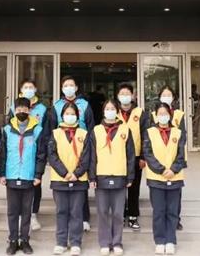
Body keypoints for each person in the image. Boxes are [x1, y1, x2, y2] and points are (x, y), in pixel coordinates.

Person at [0, 97, 46, 255]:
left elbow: (41, 155)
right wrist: (2, 173)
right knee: (12, 211)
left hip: (29, 176)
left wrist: (38, 174)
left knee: (27, 211)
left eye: (24, 110)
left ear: (29, 111)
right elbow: (3, 154)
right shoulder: (7, 130)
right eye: (18, 110)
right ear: (14, 111)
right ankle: (13, 240)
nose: (21, 112)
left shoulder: (37, 130)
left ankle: (25, 240)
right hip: (11, 175)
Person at [90, 99, 135, 255]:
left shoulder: (125, 129)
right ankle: (104, 242)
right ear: (103, 111)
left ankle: (117, 242)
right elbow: (92, 156)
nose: (109, 111)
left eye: (112, 109)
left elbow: (130, 155)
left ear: (117, 111)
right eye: (107, 108)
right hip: (101, 175)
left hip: (120, 176)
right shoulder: (96, 130)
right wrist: (92, 177)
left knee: (117, 213)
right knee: (102, 212)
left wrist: (130, 177)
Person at [51, 76, 94, 231]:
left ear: (76, 88)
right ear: (62, 88)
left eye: (71, 85)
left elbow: (90, 125)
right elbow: (52, 126)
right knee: (64, 189)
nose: (68, 88)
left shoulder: (84, 104)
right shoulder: (57, 106)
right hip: (63, 147)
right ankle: (67, 221)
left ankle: (84, 218)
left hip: (81, 145)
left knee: (81, 185)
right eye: (65, 85)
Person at [48, 101, 92, 256]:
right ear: (62, 116)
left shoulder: (84, 134)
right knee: (61, 211)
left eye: (73, 114)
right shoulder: (55, 133)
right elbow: (52, 156)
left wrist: (76, 174)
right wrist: (65, 173)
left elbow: (86, 157)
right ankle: (61, 242)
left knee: (76, 212)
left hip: (79, 180)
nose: (70, 116)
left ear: (78, 116)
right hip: (60, 180)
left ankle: (75, 242)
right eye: (67, 113)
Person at [142, 103, 186, 255]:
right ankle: (160, 241)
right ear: (155, 115)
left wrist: (173, 169)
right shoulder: (149, 132)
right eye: (160, 113)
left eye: (165, 113)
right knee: (159, 211)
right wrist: (161, 170)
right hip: (156, 178)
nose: (163, 116)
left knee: (172, 211)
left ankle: (171, 240)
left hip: (175, 177)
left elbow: (181, 154)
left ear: (170, 115)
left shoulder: (178, 133)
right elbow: (147, 153)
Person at [8, 79, 51, 232]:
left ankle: (33, 214)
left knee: (35, 184)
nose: (28, 89)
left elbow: (46, 130)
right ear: (21, 89)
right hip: (18, 153)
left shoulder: (42, 109)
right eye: (25, 87)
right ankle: (19, 215)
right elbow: (9, 126)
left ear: (36, 89)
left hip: (35, 149)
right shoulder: (14, 107)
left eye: (31, 87)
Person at [148, 86, 186, 231]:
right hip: (158, 162)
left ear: (173, 97)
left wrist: (176, 165)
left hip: (175, 158)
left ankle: (176, 219)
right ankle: (162, 221)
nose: (166, 97)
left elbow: (183, 137)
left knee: (176, 194)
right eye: (164, 95)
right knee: (159, 197)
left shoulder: (179, 115)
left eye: (169, 95)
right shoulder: (153, 115)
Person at [116, 83, 145, 231]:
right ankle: (120, 214)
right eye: (122, 93)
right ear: (118, 96)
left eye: (127, 93)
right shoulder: (113, 112)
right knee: (120, 187)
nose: (125, 96)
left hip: (136, 156)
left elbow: (146, 135)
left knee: (134, 187)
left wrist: (143, 157)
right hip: (118, 157)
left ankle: (133, 215)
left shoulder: (140, 113)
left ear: (133, 96)